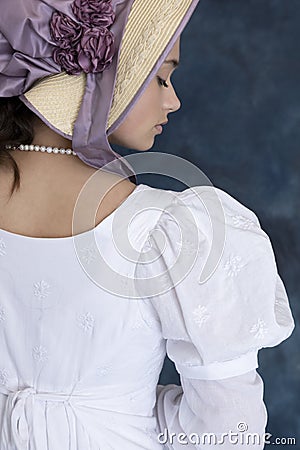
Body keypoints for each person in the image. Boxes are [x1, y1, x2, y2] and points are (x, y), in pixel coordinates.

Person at [0, 0, 294, 449]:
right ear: (98, 76)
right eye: (160, 76)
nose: (172, 100)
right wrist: (120, 407)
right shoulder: (167, 229)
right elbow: (228, 432)